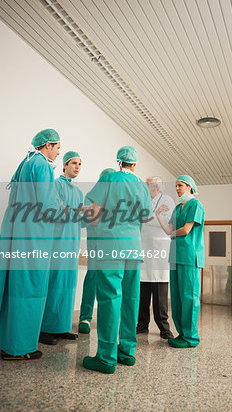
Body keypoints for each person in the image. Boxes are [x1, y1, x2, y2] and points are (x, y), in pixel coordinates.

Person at [0, 129, 61, 360]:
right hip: (34, 237)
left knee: (16, 287)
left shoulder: (25, 164)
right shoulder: (43, 166)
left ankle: (10, 343)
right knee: (32, 289)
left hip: (18, 235)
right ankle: (20, 349)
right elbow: (48, 205)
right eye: (58, 147)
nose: (59, 152)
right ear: (47, 145)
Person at [82, 146, 152, 373]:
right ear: (134, 164)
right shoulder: (142, 186)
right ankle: (127, 352)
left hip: (110, 247)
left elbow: (93, 217)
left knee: (110, 299)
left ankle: (106, 358)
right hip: (133, 248)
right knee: (131, 299)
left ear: (118, 161)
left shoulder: (109, 179)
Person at [39, 151, 83, 345]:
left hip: (72, 245)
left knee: (67, 286)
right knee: (54, 285)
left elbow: (79, 219)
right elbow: (52, 212)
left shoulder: (78, 192)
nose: (77, 167)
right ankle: (46, 329)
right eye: (74, 163)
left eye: (80, 164)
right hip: (57, 243)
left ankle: (62, 327)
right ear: (64, 165)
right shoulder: (55, 185)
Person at [155, 175, 204, 348]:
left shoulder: (195, 205)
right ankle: (181, 334)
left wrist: (171, 233)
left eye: (180, 185)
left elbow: (185, 230)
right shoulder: (177, 208)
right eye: (176, 186)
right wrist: (157, 215)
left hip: (190, 256)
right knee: (176, 297)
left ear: (189, 187)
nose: (177, 189)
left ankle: (191, 337)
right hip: (175, 256)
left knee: (189, 296)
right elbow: (169, 228)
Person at [78, 168, 116, 335]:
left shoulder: (117, 197)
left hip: (113, 244)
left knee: (112, 282)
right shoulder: (92, 195)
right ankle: (85, 317)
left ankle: (108, 318)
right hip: (95, 243)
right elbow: (88, 220)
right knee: (92, 277)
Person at [137, 176, 174, 339]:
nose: (145, 186)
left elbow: (165, 223)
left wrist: (152, 216)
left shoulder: (167, 200)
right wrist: (155, 214)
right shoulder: (142, 200)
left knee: (160, 294)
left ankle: (164, 328)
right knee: (142, 292)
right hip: (144, 250)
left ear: (156, 186)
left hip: (160, 251)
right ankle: (142, 325)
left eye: (148, 184)